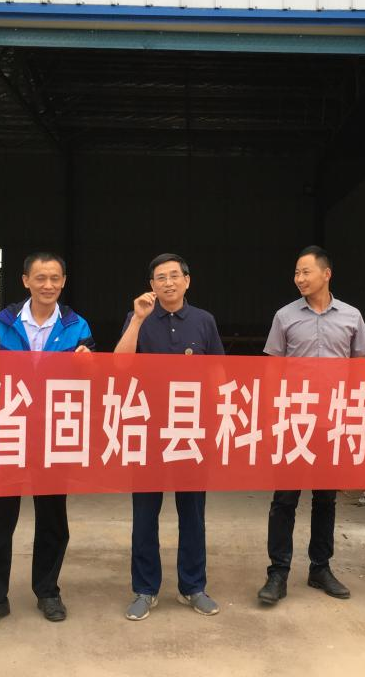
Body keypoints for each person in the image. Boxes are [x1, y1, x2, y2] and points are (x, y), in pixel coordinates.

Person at [0, 252, 94, 631]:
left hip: (55, 434)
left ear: (64, 281)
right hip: (10, 431)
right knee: (1, 517)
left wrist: (89, 362)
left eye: (55, 278)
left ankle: (48, 591)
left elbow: (89, 380)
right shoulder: (4, 323)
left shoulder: (77, 325)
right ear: (25, 281)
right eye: (40, 278)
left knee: (53, 516)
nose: (48, 285)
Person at [258, 245, 365, 605]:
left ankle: (320, 568)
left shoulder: (352, 316)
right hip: (294, 421)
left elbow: (362, 370)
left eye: (305, 271)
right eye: (296, 273)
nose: (299, 278)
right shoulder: (285, 316)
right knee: (284, 500)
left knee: (326, 498)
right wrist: (270, 417)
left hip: (333, 422)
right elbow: (272, 370)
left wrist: (359, 415)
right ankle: (278, 573)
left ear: (326, 274)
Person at [114, 253, 223, 621]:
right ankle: (145, 589)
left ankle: (193, 586)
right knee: (145, 515)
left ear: (187, 281)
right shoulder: (139, 318)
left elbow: (219, 373)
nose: (168, 283)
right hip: (148, 431)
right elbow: (119, 364)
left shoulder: (204, 321)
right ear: (152, 285)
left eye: (175, 276)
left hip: (191, 431)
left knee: (193, 514)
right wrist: (137, 319)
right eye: (160, 278)